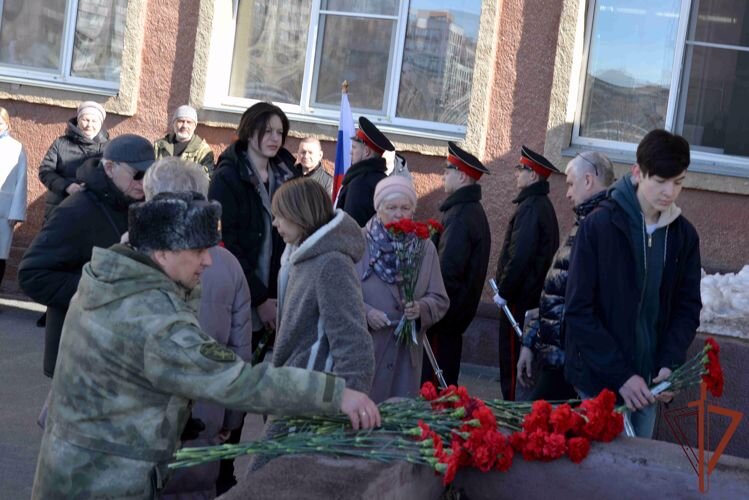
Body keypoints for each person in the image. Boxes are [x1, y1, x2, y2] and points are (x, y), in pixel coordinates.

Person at [31, 192, 380, 499]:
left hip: (70, 466)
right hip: (107, 481)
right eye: (199, 250)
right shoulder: (156, 322)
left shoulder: (109, 279)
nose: (209, 261)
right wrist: (335, 394)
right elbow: (239, 382)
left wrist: (168, 416)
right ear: (162, 252)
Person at [564, 130, 701, 438]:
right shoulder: (599, 226)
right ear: (637, 173)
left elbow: (687, 306)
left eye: (678, 182)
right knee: (602, 466)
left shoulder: (683, 236)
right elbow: (578, 310)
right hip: (598, 382)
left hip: (649, 384)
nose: (669, 192)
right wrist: (621, 375)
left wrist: (669, 363)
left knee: (639, 462)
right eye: (661, 181)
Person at [140, 157, 251, 499]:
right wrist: (231, 419)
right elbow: (239, 352)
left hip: (139, 425)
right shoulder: (227, 263)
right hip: (204, 414)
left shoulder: (126, 257)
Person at [18, 134, 155, 378]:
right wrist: (99, 290)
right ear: (110, 168)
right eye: (138, 174)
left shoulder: (138, 205)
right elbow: (32, 275)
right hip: (77, 355)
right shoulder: (76, 210)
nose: (144, 182)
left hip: (115, 355)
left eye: (150, 173)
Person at [516, 151, 614, 401]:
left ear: (588, 180)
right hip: (557, 357)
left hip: (571, 363)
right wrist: (530, 341)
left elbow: (583, 303)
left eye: (571, 184)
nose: (568, 193)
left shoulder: (601, 228)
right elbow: (556, 292)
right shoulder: (583, 222)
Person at [209, 102, 298, 354]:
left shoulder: (287, 174)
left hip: (281, 289)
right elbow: (225, 242)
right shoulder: (228, 177)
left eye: (279, 132)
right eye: (267, 131)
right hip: (241, 292)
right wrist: (260, 298)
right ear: (249, 133)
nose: (275, 138)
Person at [272, 177, 374, 392]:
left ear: (299, 213)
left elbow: (352, 341)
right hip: (296, 387)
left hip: (316, 392)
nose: (275, 223)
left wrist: (348, 397)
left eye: (280, 215)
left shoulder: (331, 263)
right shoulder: (297, 256)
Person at [356, 176, 449, 403]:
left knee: (399, 415)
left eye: (405, 208)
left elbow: (440, 299)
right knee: (364, 414)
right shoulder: (359, 242)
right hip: (367, 349)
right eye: (392, 207)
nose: (399, 214)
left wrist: (421, 308)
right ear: (378, 209)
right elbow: (341, 293)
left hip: (405, 356)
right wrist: (366, 312)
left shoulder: (424, 247)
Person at [493, 145, 560, 401]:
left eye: (520, 169)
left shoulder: (531, 207)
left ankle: (512, 412)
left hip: (520, 301)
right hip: (528, 297)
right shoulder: (538, 204)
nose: (516, 173)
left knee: (513, 365)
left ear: (533, 175)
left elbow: (520, 255)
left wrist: (505, 291)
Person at [422, 142, 491, 386]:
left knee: (433, 389)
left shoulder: (461, 215)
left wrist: (431, 307)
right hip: (452, 318)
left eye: (447, 170)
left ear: (461, 176)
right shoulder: (464, 210)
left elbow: (447, 272)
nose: (443, 175)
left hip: (444, 319)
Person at [38, 100, 109, 219]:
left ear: (100, 123)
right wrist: (67, 187)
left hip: (94, 211)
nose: (89, 125)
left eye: (94, 121)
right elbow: (45, 171)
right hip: (59, 207)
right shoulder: (61, 143)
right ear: (78, 120)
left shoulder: (108, 148)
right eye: (85, 120)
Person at [335, 117, 391, 226]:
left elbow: (352, 225)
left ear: (366, 152)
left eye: (354, 147)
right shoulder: (384, 180)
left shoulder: (360, 184)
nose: (351, 152)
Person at [0, 107, 27, 289]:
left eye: (0, 123)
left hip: (4, 209)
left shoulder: (16, 148)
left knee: (0, 254)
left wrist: (16, 212)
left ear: (7, 124)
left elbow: (21, 180)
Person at [154, 105, 215, 173]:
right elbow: (149, 172)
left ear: (195, 126)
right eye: (181, 121)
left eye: (189, 122)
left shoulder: (203, 151)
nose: (184, 126)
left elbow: (207, 176)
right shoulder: (159, 146)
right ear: (174, 123)